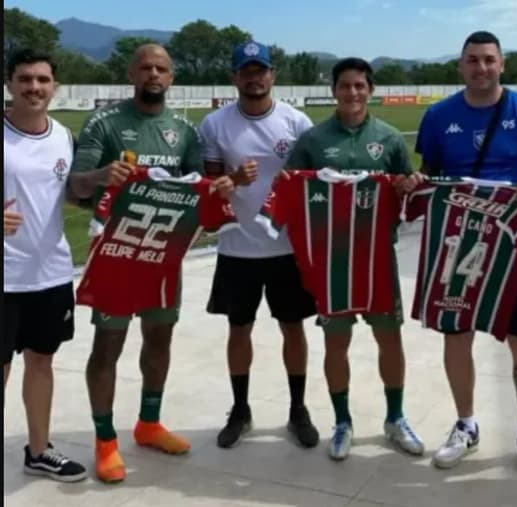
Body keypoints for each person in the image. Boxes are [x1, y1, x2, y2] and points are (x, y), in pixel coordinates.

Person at [412, 31, 517, 481]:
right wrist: (416, 185)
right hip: (458, 246)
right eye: (473, 60)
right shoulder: (439, 116)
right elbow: (431, 177)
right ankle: (466, 424)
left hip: (514, 247)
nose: (481, 68)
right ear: (460, 66)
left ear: (502, 65)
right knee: (455, 337)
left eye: (489, 60)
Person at [68, 43, 208, 483]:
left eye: (161, 68)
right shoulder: (104, 124)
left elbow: (198, 189)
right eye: (145, 66)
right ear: (131, 73)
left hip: (164, 256)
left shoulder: (185, 131)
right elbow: (75, 186)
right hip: (117, 255)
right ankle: (105, 441)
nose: (153, 73)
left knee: (159, 340)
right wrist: (101, 175)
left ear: (171, 79)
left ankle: (148, 424)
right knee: (108, 346)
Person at [284, 57, 425, 461]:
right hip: (332, 262)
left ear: (371, 90)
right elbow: (292, 193)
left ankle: (395, 417)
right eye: (345, 86)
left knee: (390, 339)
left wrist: (406, 184)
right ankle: (342, 421)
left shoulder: (390, 137)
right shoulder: (313, 140)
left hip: (379, 256)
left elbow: (406, 191)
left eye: (360, 86)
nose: (353, 93)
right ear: (334, 91)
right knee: (336, 341)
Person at [199, 40, 319, 449]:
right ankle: (240, 408)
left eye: (260, 70)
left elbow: (313, 180)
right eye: (246, 71)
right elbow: (211, 189)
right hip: (237, 247)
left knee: (294, 328)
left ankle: (298, 409)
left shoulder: (296, 121)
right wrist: (233, 179)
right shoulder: (215, 124)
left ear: (272, 75)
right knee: (239, 330)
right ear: (235, 77)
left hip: (286, 248)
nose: (254, 77)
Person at [3, 48, 87, 482]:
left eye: (41, 79)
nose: (33, 87)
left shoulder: (63, 138)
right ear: (10, 83)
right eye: (24, 79)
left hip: (51, 274)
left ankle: (38, 451)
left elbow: (71, 195)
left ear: (55, 85)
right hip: (4, 278)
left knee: (41, 362)